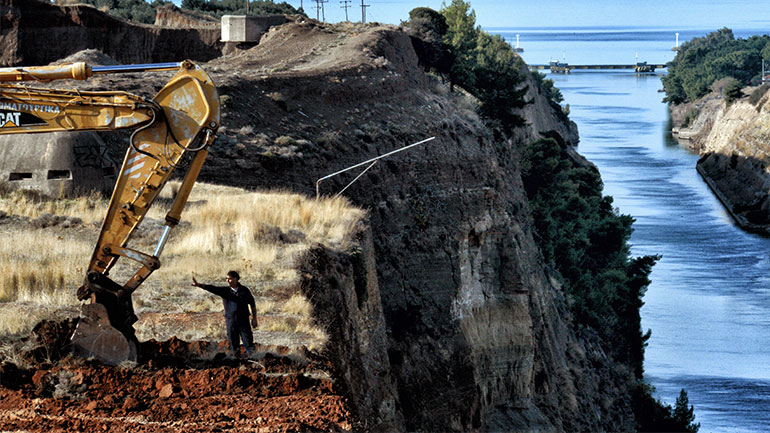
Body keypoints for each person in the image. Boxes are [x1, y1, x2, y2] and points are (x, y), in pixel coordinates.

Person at [192, 270, 258, 356]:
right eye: (226, 278)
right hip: (231, 321)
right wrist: (199, 285)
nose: (227, 280)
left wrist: (254, 318)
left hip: (243, 320)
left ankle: (253, 360)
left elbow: (252, 304)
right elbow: (212, 288)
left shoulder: (244, 290)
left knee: (248, 341)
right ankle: (237, 361)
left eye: (229, 279)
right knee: (233, 342)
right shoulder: (225, 291)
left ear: (236, 279)